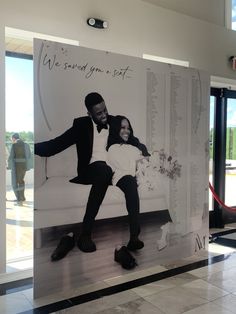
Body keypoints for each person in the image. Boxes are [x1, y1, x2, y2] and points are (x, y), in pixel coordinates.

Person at [35, 92, 116, 260]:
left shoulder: (114, 121)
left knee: (109, 171)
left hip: (112, 169)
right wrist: (30, 148)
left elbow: (131, 139)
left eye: (105, 110)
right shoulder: (81, 125)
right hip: (90, 170)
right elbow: (56, 144)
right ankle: (85, 234)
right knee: (104, 171)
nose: (104, 115)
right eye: (99, 113)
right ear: (89, 114)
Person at [107, 115, 150, 250]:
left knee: (135, 181)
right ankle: (134, 236)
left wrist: (146, 160)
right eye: (122, 128)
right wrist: (140, 162)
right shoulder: (112, 148)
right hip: (121, 177)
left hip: (135, 175)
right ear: (116, 129)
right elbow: (125, 167)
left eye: (128, 128)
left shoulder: (134, 146)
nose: (126, 131)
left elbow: (145, 161)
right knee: (131, 183)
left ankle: (134, 236)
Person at [7, 133, 32, 205]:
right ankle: (22, 197)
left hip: (16, 166)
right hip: (24, 166)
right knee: (21, 181)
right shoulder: (26, 145)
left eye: (12, 139)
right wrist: (28, 166)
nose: (12, 140)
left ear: (14, 138)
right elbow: (29, 155)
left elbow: (11, 156)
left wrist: (9, 166)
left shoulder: (14, 145)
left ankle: (19, 198)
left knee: (14, 183)